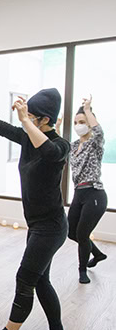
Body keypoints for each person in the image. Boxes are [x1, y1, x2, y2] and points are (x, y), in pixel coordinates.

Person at [0, 73, 70, 330]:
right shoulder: (27, 138)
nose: (24, 120)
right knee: (41, 280)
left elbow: (50, 153)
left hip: (51, 227)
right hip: (37, 226)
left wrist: (26, 121)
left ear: (45, 120)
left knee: (25, 277)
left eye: (31, 116)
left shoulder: (60, 145)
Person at [67, 95, 108, 283]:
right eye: (76, 122)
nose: (78, 125)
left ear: (90, 123)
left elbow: (99, 132)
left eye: (82, 122)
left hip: (94, 193)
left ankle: (82, 271)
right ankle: (97, 253)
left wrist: (87, 109)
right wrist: (57, 126)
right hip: (78, 193)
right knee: (71, 232)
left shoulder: (95, 143)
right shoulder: (74, 145)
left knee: (82, 234)